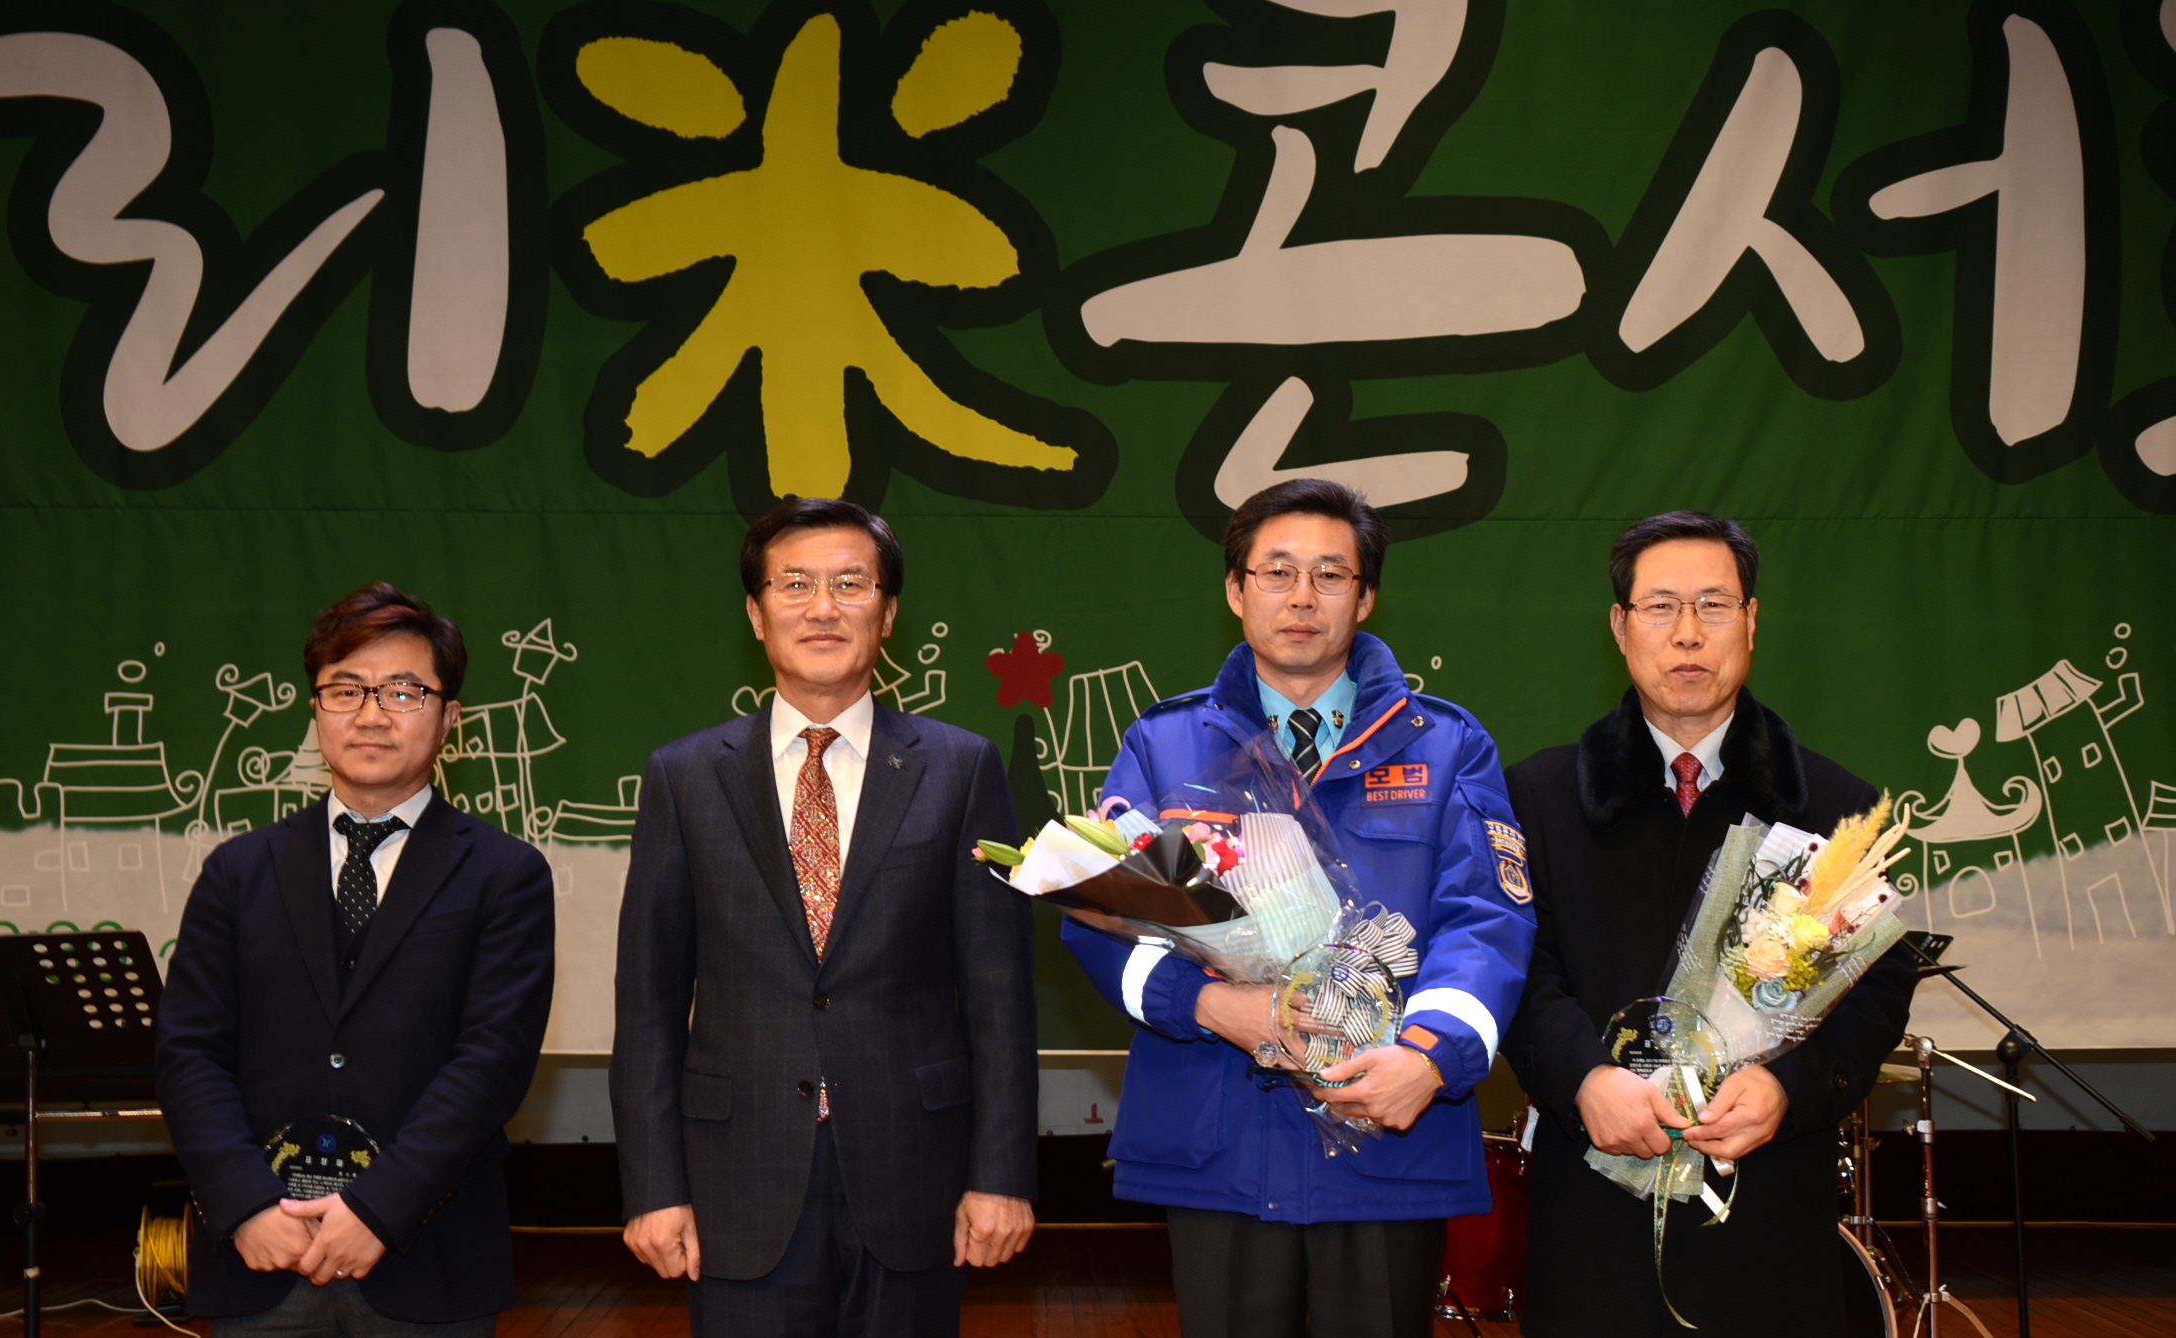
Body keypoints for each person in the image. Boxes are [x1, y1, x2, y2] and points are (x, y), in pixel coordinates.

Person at [1062, 479, 1537, 1338]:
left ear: (1366, 595)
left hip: (1387, 1128)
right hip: (1218, 1132)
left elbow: (1486, 920)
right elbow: (1103, 917)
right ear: (1235, 589)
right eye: (1277, 572)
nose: (1303, 597)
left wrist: (1429, 1059)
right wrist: (1210, 1005)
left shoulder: (1447, 745)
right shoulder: (1163, 745)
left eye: (1330, 574)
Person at [611, 497, 1037, 1337]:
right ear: (755, 613)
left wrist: (1002, 1175)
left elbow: (1000, 995)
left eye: (850, 584)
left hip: (915, 1172)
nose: (822, 608)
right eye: (795, 584)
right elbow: (649, 1005)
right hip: (737, 1179)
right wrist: (653, 1189)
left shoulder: (960, 768)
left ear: (888, 612)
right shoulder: (684, 776)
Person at [1501, 511, 1916, 1337]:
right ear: (1620, 627)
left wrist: (1789, 1087)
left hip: (1768, 1206)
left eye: (1714, 606)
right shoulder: (1536, 799)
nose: (1688, 633)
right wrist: (1584, 1078)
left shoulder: (1835, 810)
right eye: (1660, 607)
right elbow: (1513, 965)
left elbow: (1876, 988)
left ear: (1752, 622)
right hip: (1594, 1199)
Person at [156, 583, 557, 1337]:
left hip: (425, 1255)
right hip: (261, 1255)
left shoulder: (505, 875)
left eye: (404, 691)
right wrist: (243, 1205)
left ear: (450, 719)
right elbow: (189, 1054)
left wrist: (378, 1208)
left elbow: (491, 1062)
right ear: (316, 710)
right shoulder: (238, 872)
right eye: (346, 690)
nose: (371, 715)